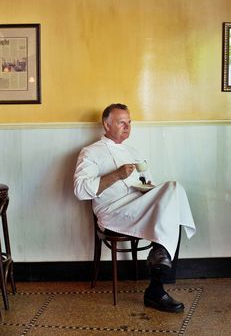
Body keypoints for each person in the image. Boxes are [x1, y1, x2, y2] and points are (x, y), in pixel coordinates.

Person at [74, 103, 196, 313]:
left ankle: (157, 273)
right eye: (122, 122)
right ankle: (157, 285)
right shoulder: (90, 152)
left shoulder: (133, 151)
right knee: (170, 210)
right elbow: (79, 190)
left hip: (137, 206)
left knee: (173, 190)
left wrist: (148, 188)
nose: (127, 127)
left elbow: (147, 184)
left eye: (129, 123)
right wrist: (116, 175)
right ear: (106, 124)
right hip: (112, 212)